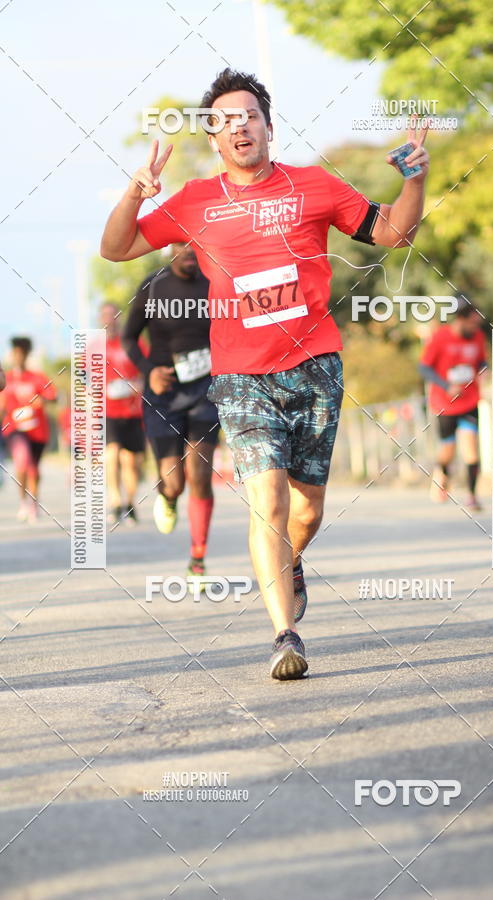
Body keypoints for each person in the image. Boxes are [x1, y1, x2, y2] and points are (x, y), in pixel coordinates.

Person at [100, 67, 429, 680]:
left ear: (269, 128)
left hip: (315, 367)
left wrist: (415, 181)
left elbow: (392, 232)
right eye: (225, 121)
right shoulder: (195, 201)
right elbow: (116, 248)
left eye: (249, 115)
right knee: (267, 500)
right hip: (240, 376)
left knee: (306, 511)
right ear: (213, 139)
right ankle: (285, 635)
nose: (239, 127)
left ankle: (289, 561)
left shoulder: (314, 186)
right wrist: (135, 194)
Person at [121, 242, 219, 582]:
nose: (190, 251)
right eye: (182, 245)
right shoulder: (154, 286)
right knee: (175, 482)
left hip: (206, 391)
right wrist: (149, 371)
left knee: (201, 475)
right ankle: (168, 495)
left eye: (195, 244)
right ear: (170, 249)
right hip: (163, 394)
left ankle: (198, 558)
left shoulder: (216, 281)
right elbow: (129, 338)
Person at [418, 296, 487, 510]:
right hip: (445, 403)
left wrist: (484, 371)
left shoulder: (478, 337)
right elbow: (424, 367)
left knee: (471, 447)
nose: (475, 328)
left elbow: (481, 361)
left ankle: (472, 495)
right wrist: (446, 386)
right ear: (460, 319)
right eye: (472, 323)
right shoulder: (441, 337)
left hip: (469, 400)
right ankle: (442, 475)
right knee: (448, 449)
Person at [99, 301, 147, 526]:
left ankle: (130, 503)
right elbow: (84, 377)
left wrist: (139, 384)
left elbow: (147, 370)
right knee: (112, 454)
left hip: (133, 411)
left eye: (113, 315)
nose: (109, 320)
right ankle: (115, 502)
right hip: (108, 411)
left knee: (130, 462)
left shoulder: (133, 343)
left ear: (119, 317)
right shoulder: (95, 347)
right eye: (105, 315)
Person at [0, 337, 56, 522]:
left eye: (22, 354)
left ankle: (34, 500)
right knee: (22, 460)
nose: (18, 357)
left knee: (34, 469)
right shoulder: (6, 378)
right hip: (14, 429)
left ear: (26, 355)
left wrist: (43, 400)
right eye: (15, 354)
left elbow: (53, 396)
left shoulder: (37, 377)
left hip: (37, 431)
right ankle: (23, 501)